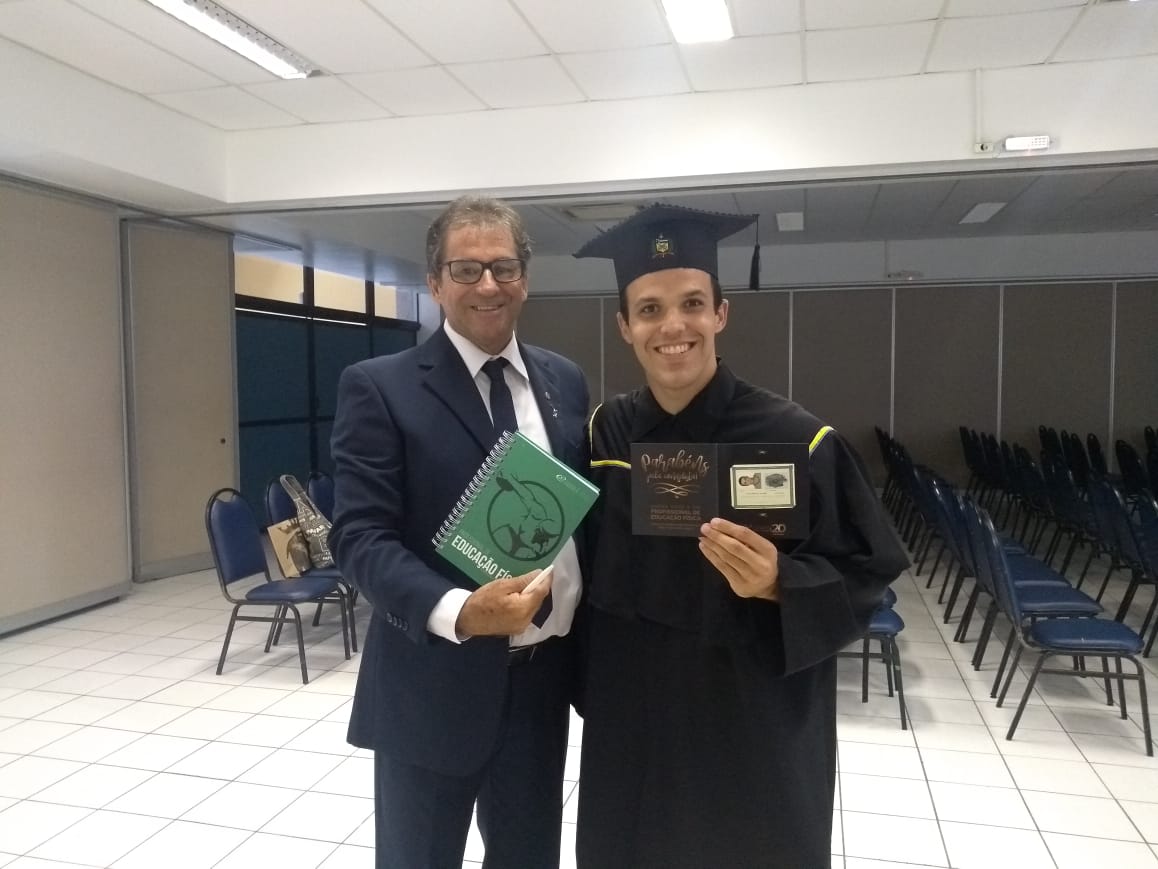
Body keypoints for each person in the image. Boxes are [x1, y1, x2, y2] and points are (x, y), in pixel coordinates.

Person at [573, 204, 909, 868]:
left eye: (692, 304)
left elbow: (869, 573)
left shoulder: (795, 439)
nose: (673, 326)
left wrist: (783, 581)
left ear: (720, 314)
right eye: (650, 309)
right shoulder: (605, 434)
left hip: (749, 724)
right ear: (625, 326)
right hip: (633, 725)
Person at [329, 195, 589, 869]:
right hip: (430, 687)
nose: (487, 284)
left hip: (540, 687)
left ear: (525, 278)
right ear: (435, 282)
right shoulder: (380, 387)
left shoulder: (564, 381)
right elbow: (359, 536)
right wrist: (461, 611)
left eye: (503, 267)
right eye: (466, 269)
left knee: (529, 858)